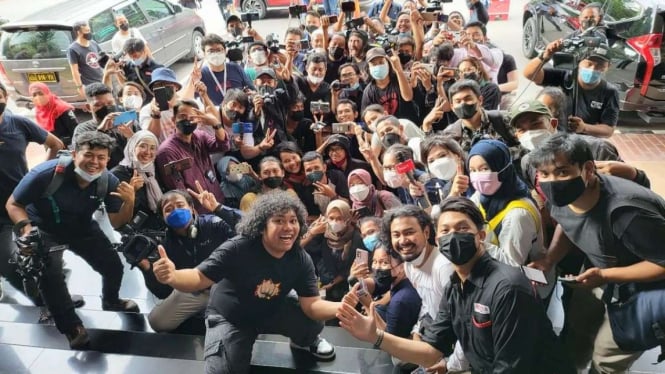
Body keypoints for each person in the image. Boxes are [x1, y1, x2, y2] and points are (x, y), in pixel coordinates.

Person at [337, 197, 574, 373]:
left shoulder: (507, 288)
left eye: (462, 229)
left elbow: (511, 367)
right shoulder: (455, 284)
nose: (453, 236)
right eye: (446, 231)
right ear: (438, 239)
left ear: (480, 236)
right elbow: (432, 350)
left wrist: (453, 368)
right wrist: (375, 336)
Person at [152, 191, 338, 372]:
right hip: (231, 317)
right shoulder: (238, 247)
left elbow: (312, 305)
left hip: (272, 309)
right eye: (279, 221)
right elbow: (199, 277)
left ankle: (305, 341)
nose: (288, 227)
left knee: (312, 323)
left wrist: (343, 307)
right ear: (262, 225)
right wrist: (173, 276)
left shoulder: (300, 258)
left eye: (293, 221)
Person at [528, 133, 665, 373]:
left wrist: (605, 275)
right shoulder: (561, 195)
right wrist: (550, 258)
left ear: (588, 169)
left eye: (562, 172)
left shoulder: (626, 213)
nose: (552, 181)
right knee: (578, 328)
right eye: (544, 174)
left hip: (643, 292)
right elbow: (567, 222)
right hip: (599, 272)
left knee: (607, 356)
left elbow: (661, 264)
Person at [6, 131, 139, 349]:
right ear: (75, 153)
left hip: (82, 227)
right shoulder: (46, 173)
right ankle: (72, 327)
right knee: (50, 276)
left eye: (101, 157)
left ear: (107, 160)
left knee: (114, 265)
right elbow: (13, 204)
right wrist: (27, 230)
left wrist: (129, 202)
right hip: (44, 227)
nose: (94, 162)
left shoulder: (109, 181)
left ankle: (111, 299)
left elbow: (116, 223)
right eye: (89, 155)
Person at [0, 82, 70, 316]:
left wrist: (38, 175)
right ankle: (41, 298)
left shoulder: (17, 123)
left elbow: (55, 144)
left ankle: (51, 298)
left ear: (5, 97)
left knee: (40, 253)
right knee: (6, 264)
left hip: (21, 203)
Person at [142, 190, 235, 333]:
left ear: (192, 208)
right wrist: (148, 270)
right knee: (157, 321)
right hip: (196, 291)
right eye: (168, 209)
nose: (176, 211)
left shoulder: (213, 224)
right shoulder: (165, 245)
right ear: (163, 217)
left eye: (180, 205)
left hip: (228, 286)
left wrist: (219, 209)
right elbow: (163, 293)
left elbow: (248, 230)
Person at [523, 41, 618, 138]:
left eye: (600, 66)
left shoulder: (609, 92)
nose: (593, 69)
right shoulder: (564, 77)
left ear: (608, 67)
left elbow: (608, 130)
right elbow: (530, 74)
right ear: (579, 61)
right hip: (554, 137)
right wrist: (544, 56)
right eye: (589, 64)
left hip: (583, 142)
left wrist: (585, 128)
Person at [155, 99, 230, 214]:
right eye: (182, 116)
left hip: (217, 201)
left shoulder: (200, 136)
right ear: (174, 120)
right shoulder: (167, 151)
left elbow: (223, 146)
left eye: (192, 117)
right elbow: (178, 188)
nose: (188, 121)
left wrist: (216, 124)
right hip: (198, 211)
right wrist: (192, 213)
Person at [302, 200, 362, 302]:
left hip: (344, 286)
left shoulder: (356, 237)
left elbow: (352, 267)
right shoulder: (322, 233)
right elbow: (299, 249)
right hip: (321, 282)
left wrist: (332, 284)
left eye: (339, 218)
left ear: (347, 219)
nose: (335, 222)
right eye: (331, 218)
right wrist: (312, 233)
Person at [72, 82, 138, 170]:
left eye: (110, 103)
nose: (106, 108)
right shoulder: (83, 130)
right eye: (98, 105)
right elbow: (85, 157)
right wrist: (101, 130)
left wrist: (132, 136)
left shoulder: (126, 121)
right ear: (88, 107)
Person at [111, 130, 165, 231]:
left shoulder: (154, 169)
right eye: (143, 146)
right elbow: (117, 219)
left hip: (160, 228)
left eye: (153, 148)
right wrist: (133, 193)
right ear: (132, 147)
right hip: (136, 235)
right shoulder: (117, 175)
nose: (148, 152)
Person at [139, 67, 182, 142]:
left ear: (176, 87)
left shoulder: (185, 105)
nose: (163, 88)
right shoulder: (147, 110)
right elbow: (150, 138)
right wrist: (155, 116)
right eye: (158, 85)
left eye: (166, 84)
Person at [29, 83, 78, 147]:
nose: (38, 97)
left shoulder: (62, 108)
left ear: (47, 93)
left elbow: (76, 131)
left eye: (40, 93)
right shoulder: (39, 110)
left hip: (68, 146)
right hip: (51, 146)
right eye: (34, 95)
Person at [67, 21, 103, 98]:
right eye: (86, 31)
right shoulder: (73, 49)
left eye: (89, 30)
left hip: (102, 80)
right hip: (90, 85)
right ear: (79, 33)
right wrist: (80, 87)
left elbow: (102, 58)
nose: (89, 33)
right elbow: (74, 71)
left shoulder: (93, 43)